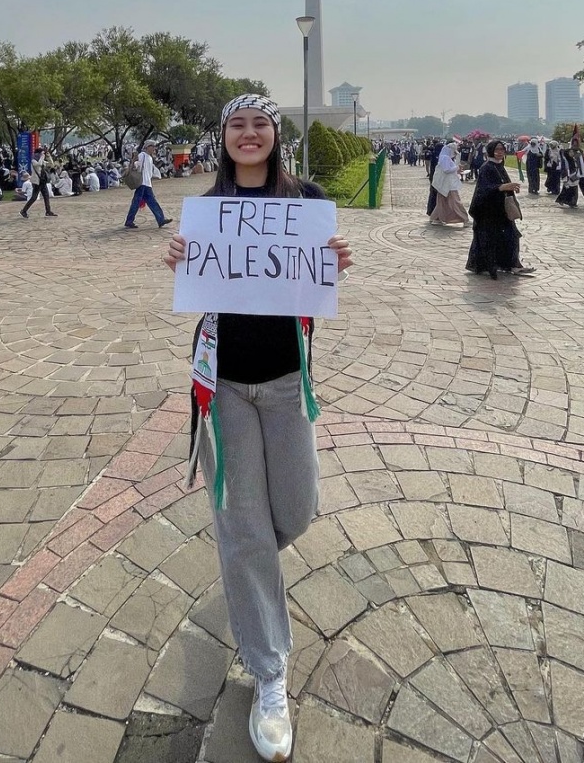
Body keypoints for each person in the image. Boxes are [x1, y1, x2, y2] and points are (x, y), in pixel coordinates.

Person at [164, 94, 352, 763]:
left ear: (276, 133)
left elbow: (307, 288)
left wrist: (331, 263)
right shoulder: (207, 209)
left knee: (293, 512)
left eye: (260, 122)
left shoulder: (306, 201)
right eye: (237, 124)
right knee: (243, 525)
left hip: (283, 382)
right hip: (223, 388)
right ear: (223, 136)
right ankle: (271, 673)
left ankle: (248, 568)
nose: (249, 133)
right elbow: (205, 285)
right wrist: (180, 260)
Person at [465, 139, 534, 279]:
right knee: (489, 240)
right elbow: (483, 189)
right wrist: (502, 187)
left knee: (512, 237)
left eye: (502, 150)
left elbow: (503, 185)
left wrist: (510, 189)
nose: (500, 153)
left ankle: (513, 265)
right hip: (489, 212)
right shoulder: (486, 167)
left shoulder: (499, 166)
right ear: (491, 151)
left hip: (502, 210)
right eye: (497, 150)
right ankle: (486, 265)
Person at [124, 141, 172, 230]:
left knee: (147, 202)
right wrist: (134, 161)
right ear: (148, 147)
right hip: (142, 183)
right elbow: (137, 165)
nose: (154, 148)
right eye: (152, 146)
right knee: (140, 202)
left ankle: (160, 219)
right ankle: (130, 220)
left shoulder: (149, 158)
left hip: (146, 183)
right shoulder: (143, 155)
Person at [428, 141, 469, 225]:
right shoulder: (445, 157)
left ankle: (436, 218)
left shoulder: (445, 157)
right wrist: (457, 168)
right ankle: (464, 218)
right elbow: (446, 170)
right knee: (455, 202)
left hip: (446, 183)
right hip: (448, 184)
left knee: (442, 202)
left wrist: (457, 169)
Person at [20, 148, 57, 218]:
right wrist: (42, 157)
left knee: (46, 196)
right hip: (36, 182)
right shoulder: (33, 161)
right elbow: (39, 164)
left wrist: (49, 157)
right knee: (34, 197)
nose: (42, 155)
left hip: (42, 181)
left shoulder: (42, 160)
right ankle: (24, 211)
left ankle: (48, 211)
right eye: (41, 153)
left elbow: (51, 164)